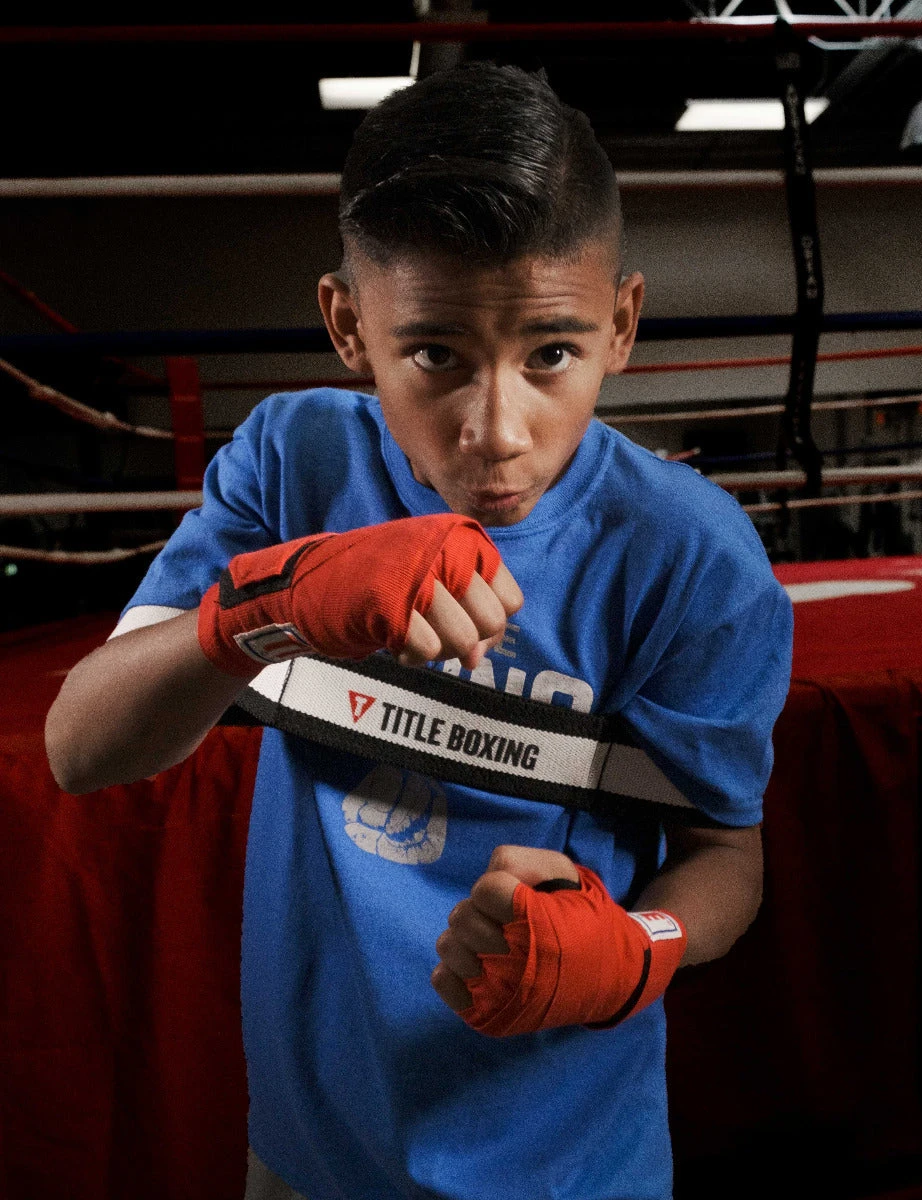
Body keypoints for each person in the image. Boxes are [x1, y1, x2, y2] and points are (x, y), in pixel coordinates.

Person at [46, 62, 793, 1200]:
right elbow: (80, 747)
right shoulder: (295, 464)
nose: (497, 430)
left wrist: (631, 952)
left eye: (551, 353)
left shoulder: (689, 558)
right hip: (309, 1143)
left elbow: (725, 857)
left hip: (566, 1163)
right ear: (349, 326)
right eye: (436, 354)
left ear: (622, 324)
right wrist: (264, 608)